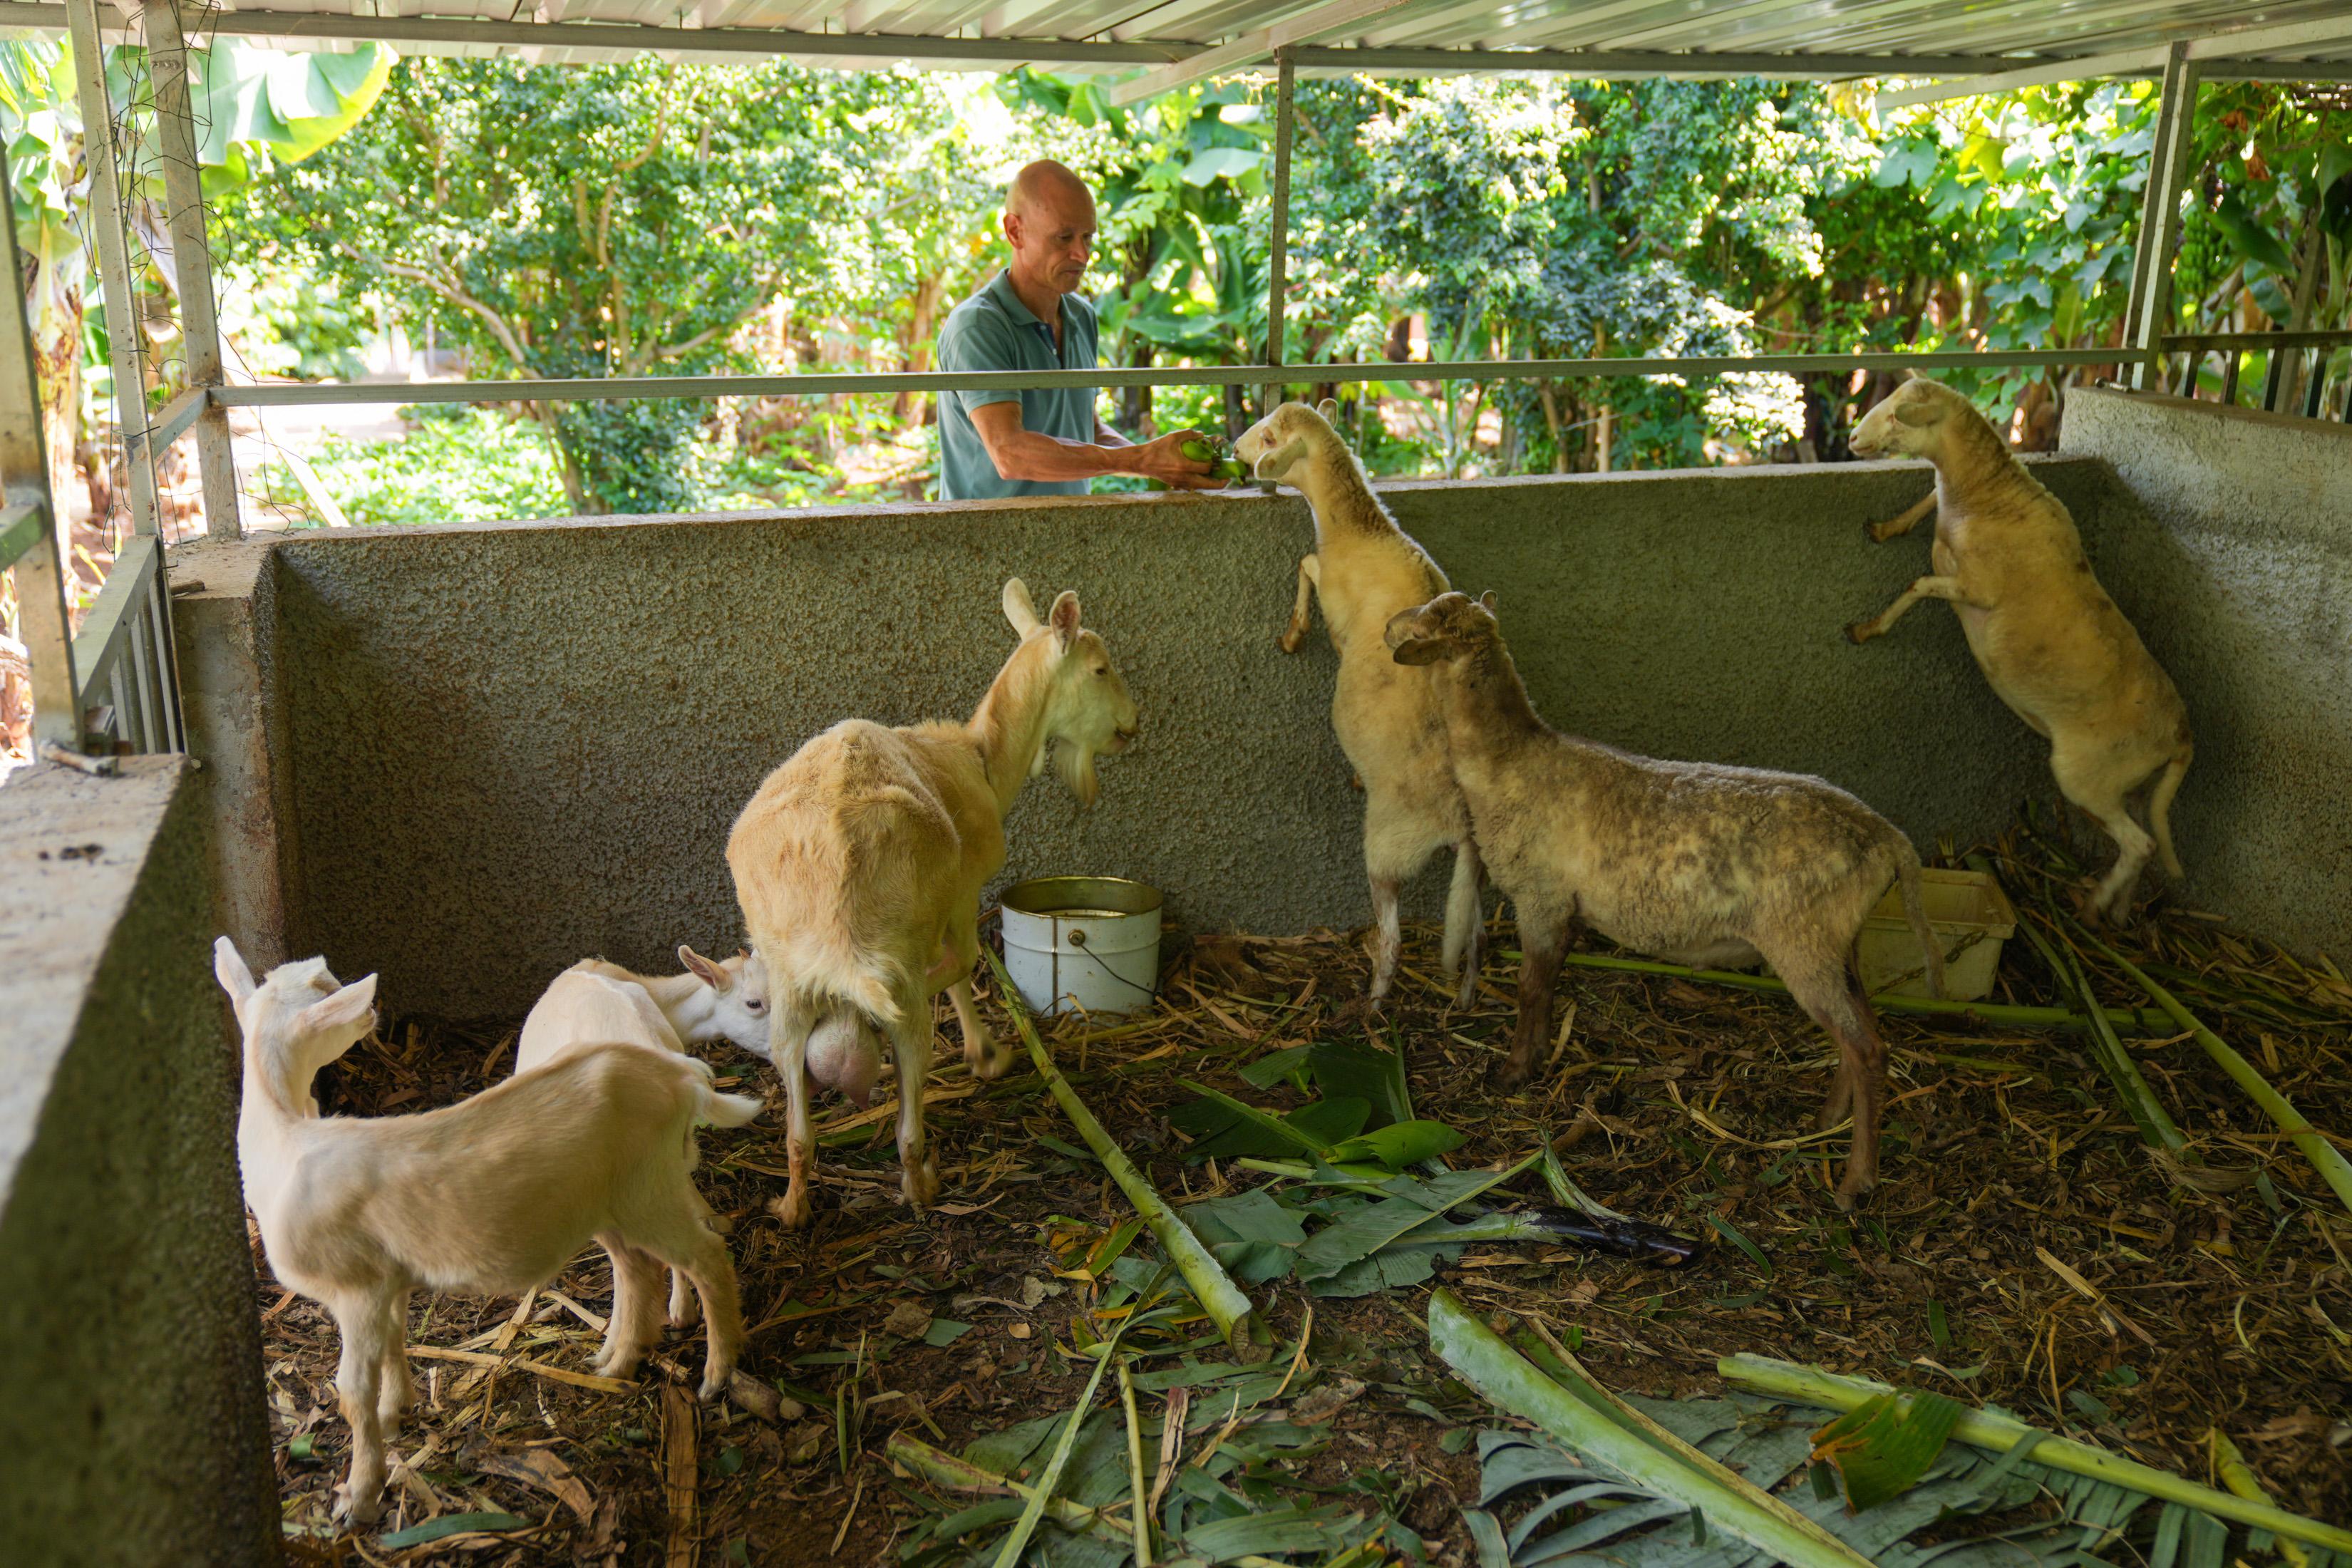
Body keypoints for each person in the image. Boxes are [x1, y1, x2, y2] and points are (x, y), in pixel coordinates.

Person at [934, 160, 1222, 501]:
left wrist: (1160, 463)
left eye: (1088, 237)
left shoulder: (1080, 315)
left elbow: (1086, 428)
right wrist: (1142, 459)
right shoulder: (979, 326)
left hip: (1069, 528)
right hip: (987, 533)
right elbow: (1010, 454)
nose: (1082, 255)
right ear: (1015, 232)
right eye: (1064, 238)